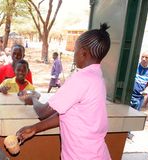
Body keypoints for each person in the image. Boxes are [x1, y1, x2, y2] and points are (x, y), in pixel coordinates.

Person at [16, 23, 112, 160]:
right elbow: (68, 115)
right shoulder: (97, 76)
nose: (74, 55)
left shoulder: (81, 78)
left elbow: (43, 112)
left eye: (75, 51)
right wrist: (35, 128)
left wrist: (33, 98)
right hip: (97, 153)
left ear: (83, 53)